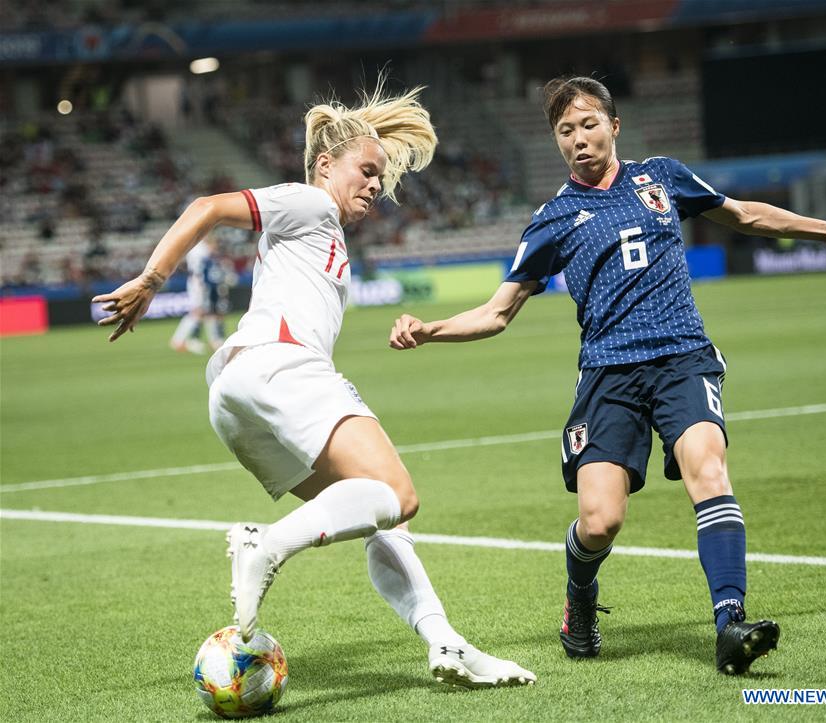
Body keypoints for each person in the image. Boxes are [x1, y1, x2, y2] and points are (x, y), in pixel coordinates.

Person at [389, 76, 826, 675]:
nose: (578, 139)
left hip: (682, 358)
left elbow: (746, 215)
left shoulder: (662, 177)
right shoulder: (553, 220)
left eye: (589, 124)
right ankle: (580, 598)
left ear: (614, 127)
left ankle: (730, 622)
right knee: (600, 521)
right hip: (607, 378)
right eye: (566, 130)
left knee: (708, 470)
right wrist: (430, 329)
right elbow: (497, 312)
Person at [92, 81, 535, 689]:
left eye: (380, 175)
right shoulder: (311, 203)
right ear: (325, 165)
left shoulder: (323, 231)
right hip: (281, 368)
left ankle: (444, 642)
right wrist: (151, 279)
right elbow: (207, 206)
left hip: (236, 395)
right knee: (397, 494)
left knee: (381, 514)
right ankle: (266, 545)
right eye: (366, 171)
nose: (375, 185)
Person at [169, 235, 233, 354]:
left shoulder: (196, 247)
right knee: (198, 311)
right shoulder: (200, 248)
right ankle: (179, 340)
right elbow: (202, 266)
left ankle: (212, 340)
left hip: (198, 281)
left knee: (204, 311)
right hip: (199, 282)